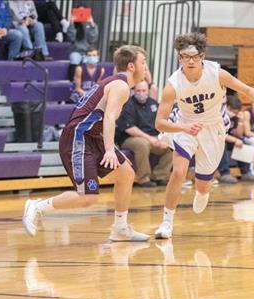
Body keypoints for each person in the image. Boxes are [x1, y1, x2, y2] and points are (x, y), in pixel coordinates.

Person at [22, 45, 150, 242]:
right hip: (78, 136)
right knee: (87, 197)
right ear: (131, 66)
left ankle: (120, 227)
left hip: (93, 135)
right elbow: (108, 118)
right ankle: (37, 207)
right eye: (143, 62)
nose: (146, 67)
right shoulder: (121, 86)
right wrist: (109, 149)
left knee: (126, 173)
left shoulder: (119, 84)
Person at [154, 32, 254, 239]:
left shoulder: (217, 73)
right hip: (185, 125)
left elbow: (246, 90)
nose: (191, 61)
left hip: (213, 127)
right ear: (179, 58)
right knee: (178, 173)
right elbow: (159, 123)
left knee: (203, 184)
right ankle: (166, 223)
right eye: (186, 56)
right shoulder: (173, 84)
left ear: (202, 57)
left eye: (195, 56)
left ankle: (202, 191)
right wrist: (184, 128)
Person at [116, 80, 172, 188]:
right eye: (138, 90)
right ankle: (143, 178)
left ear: (148, 91)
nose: (141, 93)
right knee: (143, 144)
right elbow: (129, 128)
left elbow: (161, 122)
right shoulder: (127, 104)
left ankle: (160, 176)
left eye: (144, 90)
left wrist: (162, 138)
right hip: (130, 138)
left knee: (171, 144)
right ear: (133, 91)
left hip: (153, 137)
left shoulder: (153, 104)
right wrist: (150, 138)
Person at [218, 95, 254, 183]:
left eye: (236, 112)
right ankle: (224, 173)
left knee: (243, 143)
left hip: (230, 139)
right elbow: (220, 134)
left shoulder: (236, 116)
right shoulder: (220, 116)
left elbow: (239, 134)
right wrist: (235, 140)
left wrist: (241, 122)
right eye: (233, 111)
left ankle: (246, 172)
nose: (234, 114)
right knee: (222, 144)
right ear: (228, 107)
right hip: (218, 139)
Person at [67, 12, 99, 81]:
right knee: (74, 58)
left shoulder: (91, 25)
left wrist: (92, 24)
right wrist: (72, 23)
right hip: (77, 51)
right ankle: (72, 80)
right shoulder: (74, 25)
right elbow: (70, 37)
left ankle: (86, 82)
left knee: (90, 60)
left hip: (88, 52)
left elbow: (93, 39)